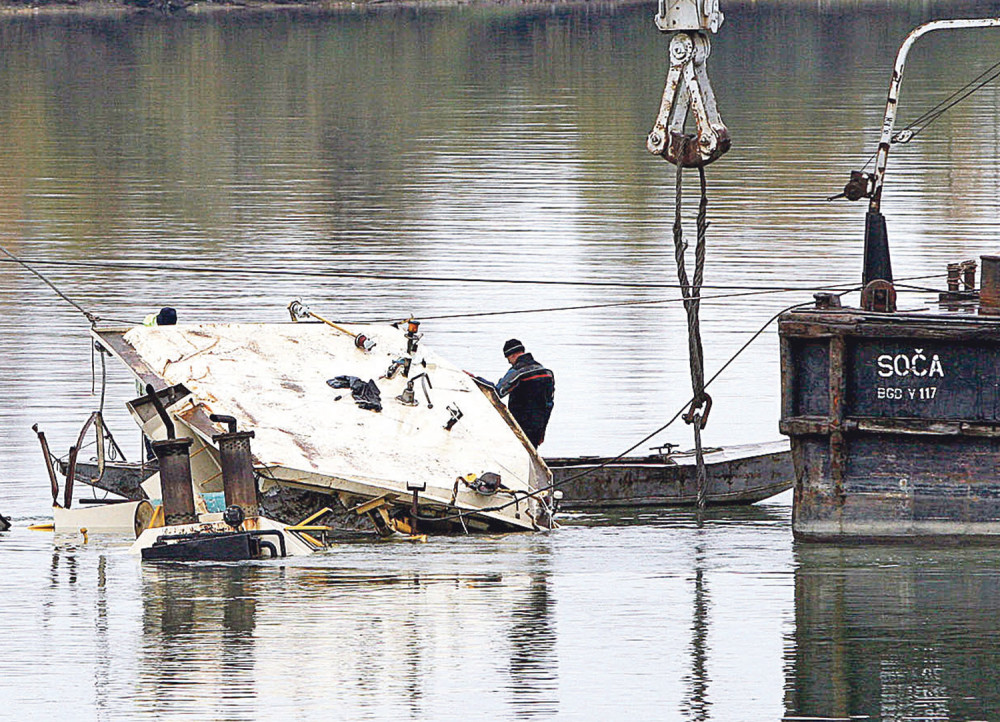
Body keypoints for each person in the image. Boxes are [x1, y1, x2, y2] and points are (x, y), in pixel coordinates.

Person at [495, 338, 555, 447]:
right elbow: (549, 404)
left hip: (519, 426)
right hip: (538, 426)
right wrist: (542, 430)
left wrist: (475, 379)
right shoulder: (546, 373)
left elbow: (498, 392)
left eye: (508, 359)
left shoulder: (517, 372)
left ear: (512, 355)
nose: (510, 363)